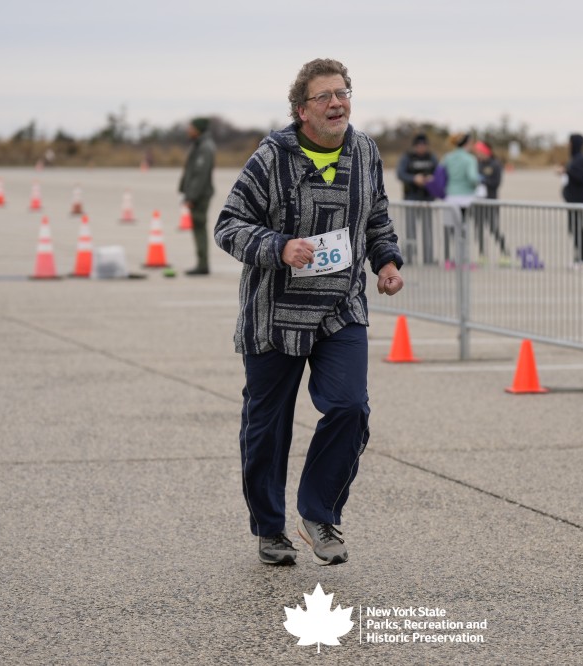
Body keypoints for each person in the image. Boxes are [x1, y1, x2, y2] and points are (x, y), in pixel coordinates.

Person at [214, 58, 404, 566]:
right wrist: (278, 246)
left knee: (350, 408)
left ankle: (318, 513)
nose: (337, 103)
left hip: (341, 309)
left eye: (343, 93)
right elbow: (228, 225)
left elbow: (376, 217)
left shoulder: (365, 151)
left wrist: (386, 262)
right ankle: (269, 529)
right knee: (266, 428)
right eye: (325, 96)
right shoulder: (272, 157)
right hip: (276, 315)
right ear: (302, 110)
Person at [179, 117, 216, 275]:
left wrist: (191, 197)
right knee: (198, 228)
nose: (189, 130)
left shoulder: (205, 147)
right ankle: (202, 263)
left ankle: (202, 265)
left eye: (191, 127)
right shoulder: (199, 144)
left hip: (200, 195)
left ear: (198, 129)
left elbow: (200, 175)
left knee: (199, 228)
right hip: (198, 194)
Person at [396, 134, 439, 263]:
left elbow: (439, 174)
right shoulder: (407, 157)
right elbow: (400, 173)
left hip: (427, 199)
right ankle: (409, 258)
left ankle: (428, 259)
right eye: (419, 145)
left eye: (424, 145)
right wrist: (414, 179)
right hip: (411, 198)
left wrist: (431, 179)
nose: (421, 148)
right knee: (410, 230)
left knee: (427, 231)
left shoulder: (431, 157)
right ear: (415, 146)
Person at [440, 132, 480, 268]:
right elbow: (472, 177)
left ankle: (449, 260)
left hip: (450, 197)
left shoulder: (447, 157)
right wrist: (479, 183)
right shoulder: (470, 159)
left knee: (451, 231)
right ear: (467, 143)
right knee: (463, 231)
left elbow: (441, 174)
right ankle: (464, 260)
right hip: (465, 199)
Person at [474, 140, 508, 261]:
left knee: (494, 229)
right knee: (479, 230)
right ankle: (482, 254)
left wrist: (483, 180)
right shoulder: (476, 164)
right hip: (478, 203)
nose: (478, 154)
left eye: (480, 151)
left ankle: (505, 252)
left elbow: (496, 183)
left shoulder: (495, 164)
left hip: (491, 202)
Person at [561, 133, 583, 265]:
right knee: (573, 229)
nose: (569, 145)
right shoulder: (573, 159)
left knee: (579, 229)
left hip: (578, 200)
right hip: (571, 200)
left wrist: (567, 171)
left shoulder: (582, 160)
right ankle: (579, 256)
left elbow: (582, 178)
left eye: (570, 142)